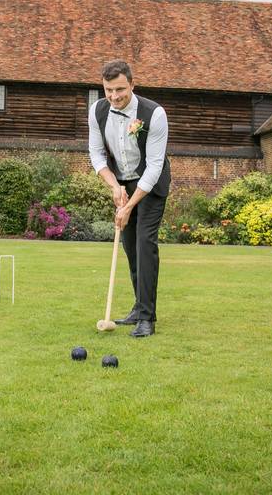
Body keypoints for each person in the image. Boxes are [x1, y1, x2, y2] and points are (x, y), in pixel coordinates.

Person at [87, 59, 170, 337]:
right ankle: (139, 306)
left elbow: (155, 166)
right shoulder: (97, 111)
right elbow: (97, 155)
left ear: (133, 84)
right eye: (108, 90)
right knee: (129, 244)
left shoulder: (154, 114)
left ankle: (147, 318)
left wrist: (130, 205)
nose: (114, 96)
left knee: (144, 242)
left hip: (150, 183)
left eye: (120, 89)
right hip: (122, 181)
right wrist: (113, 186)